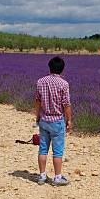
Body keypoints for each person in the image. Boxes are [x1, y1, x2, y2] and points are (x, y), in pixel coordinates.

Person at [33, 56, 72, 186]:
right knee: (58, 151)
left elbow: (37, 101)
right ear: (62, 69)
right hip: (57, 121)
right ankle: (57, 178)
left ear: (49, 67)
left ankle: (42, 176)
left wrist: (37, 116)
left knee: (43, 149)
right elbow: (66, 104)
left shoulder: (40, 82)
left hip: (44, 120)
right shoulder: (64, 84)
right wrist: (69, 120)